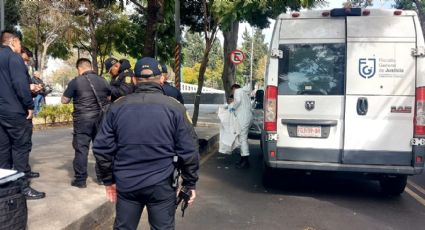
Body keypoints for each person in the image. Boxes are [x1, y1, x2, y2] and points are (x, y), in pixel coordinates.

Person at [93, 57, 199, 230]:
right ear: (162, 79)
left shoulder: (116, 107)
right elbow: (189, 149)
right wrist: (189, 183)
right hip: (162, 185)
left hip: (126, 184)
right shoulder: (175, 108)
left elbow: (102, 148)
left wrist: (108, 180)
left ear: (134, 80)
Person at [0, 30, 45, 199]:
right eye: (19, 44)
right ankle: (22, 189)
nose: (20, 47)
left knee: (3, 150)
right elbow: (19, 84)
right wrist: (29, 105)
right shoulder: (14, 57)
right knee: (20, 149)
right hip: (15, 112)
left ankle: (4, 188)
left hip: (1, 112)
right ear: (13, 42)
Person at [61, 58, 111, 188]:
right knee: (100, 149)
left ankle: (80, 180)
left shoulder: (76, 81)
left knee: (81, 149)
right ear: (90, 67)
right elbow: (109, 97)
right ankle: (102, 178)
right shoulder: (103, 81)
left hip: (82, 120)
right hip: (100, 119)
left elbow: (64, 100)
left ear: (79, 68)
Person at [229, 84, 253, 169]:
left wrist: (233, 107)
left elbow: (238, 101)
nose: (232, 92)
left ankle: (245, 161)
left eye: (232, 90)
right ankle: (243, 159)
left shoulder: (237, 91)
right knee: (242, 138)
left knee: (243, 139)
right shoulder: (244, 93)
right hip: (247, 117)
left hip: (243, 118)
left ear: (234, 88)